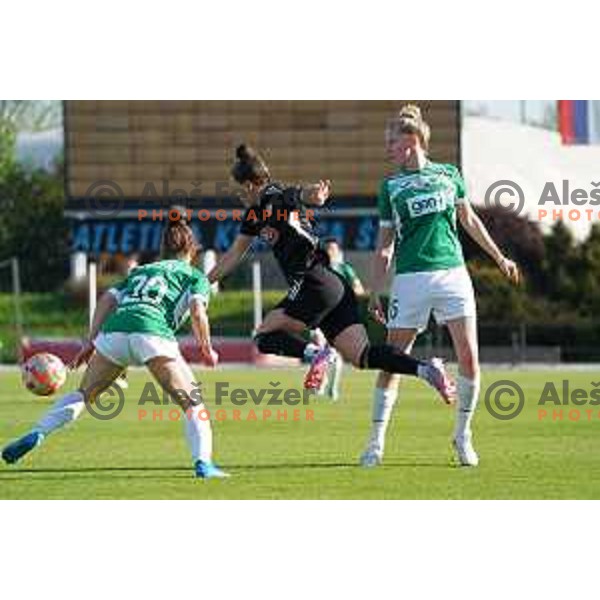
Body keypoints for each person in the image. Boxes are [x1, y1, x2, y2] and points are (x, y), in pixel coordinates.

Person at [208, 144, 456, 404]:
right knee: (362, 355)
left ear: (248, 184)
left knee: (263, 336)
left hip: (312, 281)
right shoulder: (254, 215)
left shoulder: (275, 195)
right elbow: (233, 255)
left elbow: (297, 194)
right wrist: (202, 283)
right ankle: (427, 370)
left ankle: (316, 354)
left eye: (236, 187)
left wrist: (313, 195)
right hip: (332, 286)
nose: (234, 194)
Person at [2, 218, 228, 479]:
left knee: (84, 395)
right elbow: (198, 311)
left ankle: (38, 431)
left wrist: (90, 340)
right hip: (152, 335)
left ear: (162, 250)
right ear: (193, 251)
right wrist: (207, 349)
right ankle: (203, 463)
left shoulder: (141, 271)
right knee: (192, 403)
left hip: (115, 333)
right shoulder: (195, 276)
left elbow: (107, 299)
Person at [361, 105, 521, 469]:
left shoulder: (449, 174)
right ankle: (375, 443)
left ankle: (463, 436)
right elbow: (384, 244)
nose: (388, 148)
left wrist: (499, 257)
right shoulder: (390, 187)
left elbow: (469, 220)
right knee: (392, 362)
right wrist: (374, 289)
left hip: (453, 274)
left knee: (469, 357)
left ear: (412, 140)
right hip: (410, 279)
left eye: (392, 141)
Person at [311, 237, 366, 399]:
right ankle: (321, 381)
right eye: (327, 250)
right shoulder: (317, 269)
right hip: (319, 317)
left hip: (339, 318)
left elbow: (359, 290)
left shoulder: (345, 269)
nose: (330, 253)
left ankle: (332, 388)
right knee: (319, 348)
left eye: (333, 250)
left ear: (338, 252)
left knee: (334, 353)